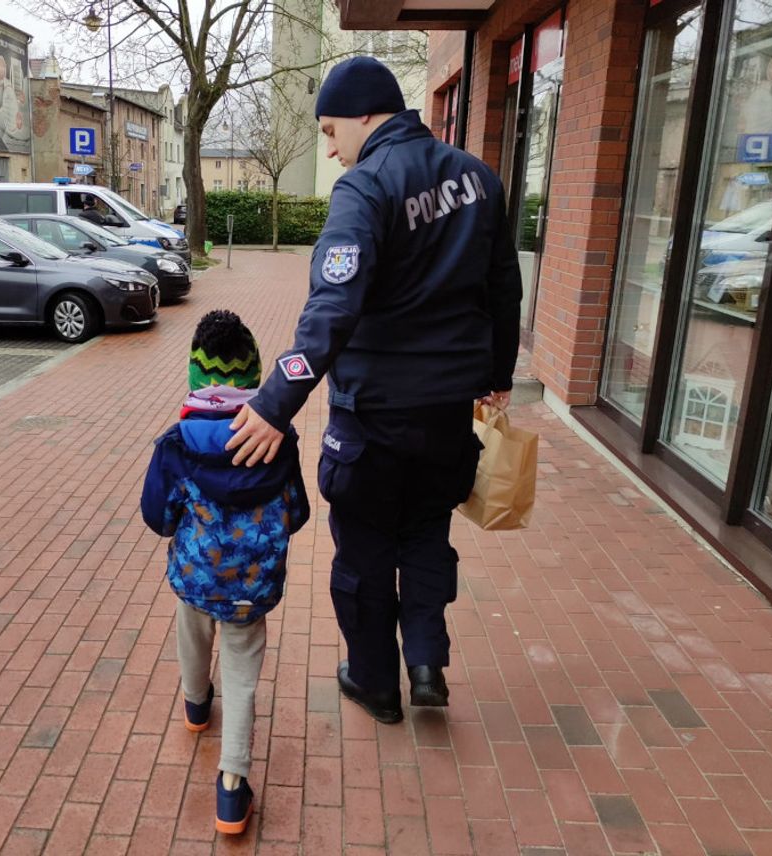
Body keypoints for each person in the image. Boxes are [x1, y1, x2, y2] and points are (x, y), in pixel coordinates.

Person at [226, 56, 522, 723]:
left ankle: (375, 683)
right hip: (448, 414)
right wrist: (497, 378)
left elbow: (333, 306)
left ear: (364, 112)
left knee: (363, 550)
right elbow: (504, 288)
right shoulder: (478, 178)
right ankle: (425, 662)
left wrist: (274, 402)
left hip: (374, 418)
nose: (331, 148)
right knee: (424, 533)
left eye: (331, 130)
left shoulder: (366, 188)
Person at [141, 310, 310, 833]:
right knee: (241, 678)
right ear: (253, 378)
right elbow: (298, 512)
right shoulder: (277, 440)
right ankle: (232, 791)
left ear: (198, 377)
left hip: (195, 579)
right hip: (251, 589)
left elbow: (158, 518)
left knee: (191, 633)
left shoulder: (177, 442)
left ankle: (195, 705)